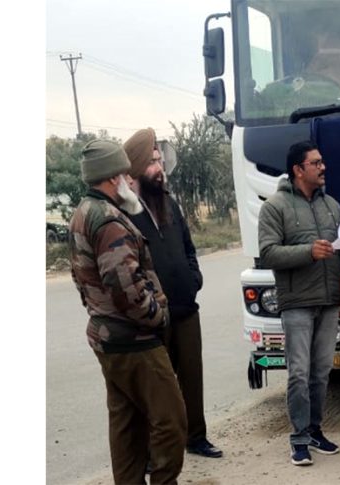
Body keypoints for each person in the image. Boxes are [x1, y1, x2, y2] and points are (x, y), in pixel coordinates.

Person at [68, 139, 187, 484]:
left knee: (127, 426)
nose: (130, 179)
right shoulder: (109, 221)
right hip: (134, 341)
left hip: (109, 337)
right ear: (112, 177)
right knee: (172, 420)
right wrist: (158, 316)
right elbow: (125, 288)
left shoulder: (84, 211)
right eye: (124, 173)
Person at [123, 128, 223, 459]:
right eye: (152, 162)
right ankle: (154, 452)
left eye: (160, 160)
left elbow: (189, 248)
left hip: (185, 308)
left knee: (192, 379)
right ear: (136, 169)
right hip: (153, 315)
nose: (159, 167)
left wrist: (193, 277)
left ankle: (196, 437)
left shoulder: (169, 203)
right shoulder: (125, 212)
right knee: (157, 389)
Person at [258, 140, 340, 466]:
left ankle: (315, 431)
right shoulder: (275, 207)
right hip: (297, 302)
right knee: (298, 373)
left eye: (322, 162)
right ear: (298, 170)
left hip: (329, 299)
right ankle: (298, 439)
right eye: (316, 163)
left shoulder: (332, 205)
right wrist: (308, 251)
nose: (323, 167)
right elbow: (268, 253)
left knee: (320, 372)